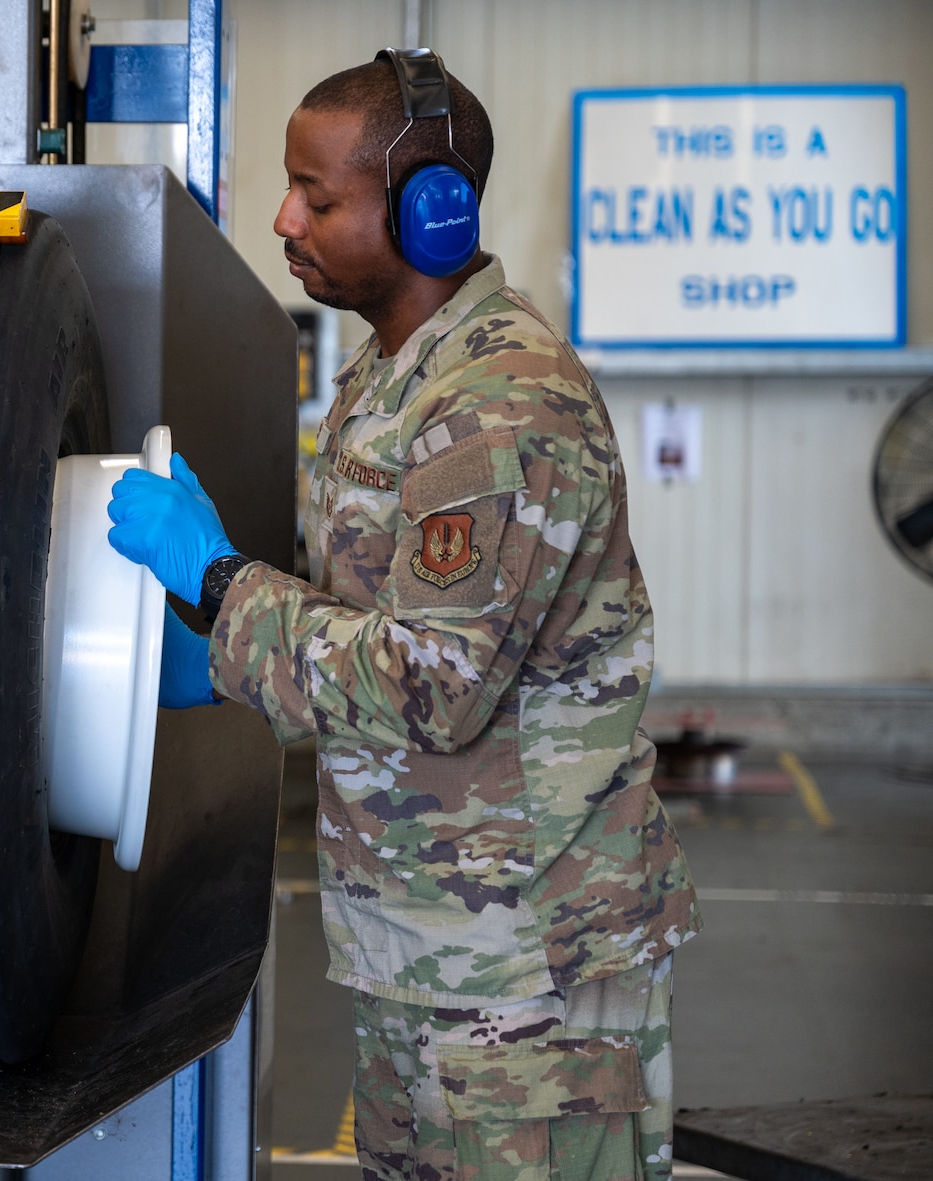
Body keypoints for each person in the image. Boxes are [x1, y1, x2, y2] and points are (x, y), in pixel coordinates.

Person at [108, 51, 700, 1181]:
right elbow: (364, 626)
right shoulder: (391, 381)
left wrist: (219, 580)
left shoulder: (493, 403)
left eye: (318, 198)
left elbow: (430, 682)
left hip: (528, 980)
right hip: (425, 948)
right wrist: (220, 658)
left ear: (432, 209)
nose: (282, 217)